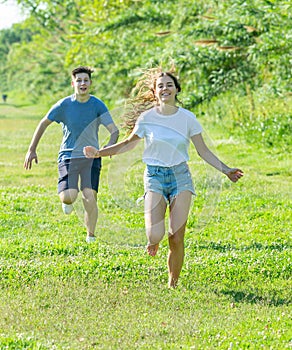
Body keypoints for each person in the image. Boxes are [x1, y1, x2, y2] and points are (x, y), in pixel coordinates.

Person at [83, 68, 243, 287]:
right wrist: (99, 153)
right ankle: (153, 241)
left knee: (176, 238)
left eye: (169, 85)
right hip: (154, 177)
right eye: (160, 86)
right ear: (154, 92)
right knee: (155, 235)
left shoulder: (188, 118)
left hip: (181, 177)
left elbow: (203, 151)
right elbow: (129, 143)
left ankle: (173, 283)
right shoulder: (147, 118)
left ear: (176, 89)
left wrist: (226, 170)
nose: (165, 88)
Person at [24, 66, 119, 243]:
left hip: (91, 157)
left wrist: (109, 146)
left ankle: (91, 236)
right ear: (73, 83)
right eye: (79, 80)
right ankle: (66, 200)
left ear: (90, 83)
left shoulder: (97, 105)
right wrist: (32, 149)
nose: (83, 83)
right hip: (68, 156)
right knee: (69, 197)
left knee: (90, 196)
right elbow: (43, 123)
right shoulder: (64, 105)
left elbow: (114, 130)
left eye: (86, 80)